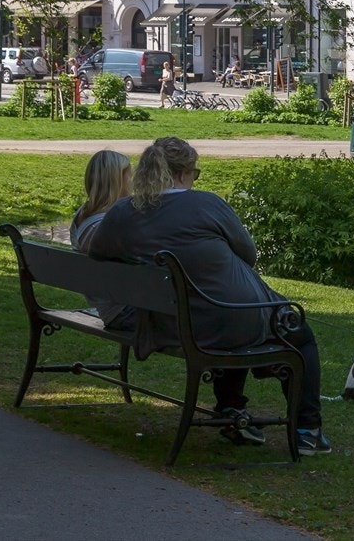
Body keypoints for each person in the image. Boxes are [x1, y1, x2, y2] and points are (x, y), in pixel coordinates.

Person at [87, 137, 331, 455]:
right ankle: (307, 430)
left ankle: (231, 408)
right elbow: (249, 253)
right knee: (294, 330)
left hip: (170, 322)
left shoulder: (122, 212)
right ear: (184, 173)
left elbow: (98, 252)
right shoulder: (206, 204)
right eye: (195, 173)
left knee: (225, 309)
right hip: (223, 318)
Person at [71, 150, 135, 330]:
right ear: (117, 181)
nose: (132, 182)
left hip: (116, 309)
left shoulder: (83, 215)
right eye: (129, 176)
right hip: (125, 312)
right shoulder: (106, 224)